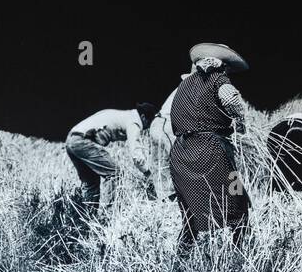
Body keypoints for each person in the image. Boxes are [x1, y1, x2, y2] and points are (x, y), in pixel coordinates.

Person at [169, 42, 251, 249]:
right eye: (228, 68)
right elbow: (232, 101)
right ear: (221, 65)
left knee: (190, 214)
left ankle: (181, 260)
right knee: (237, 203)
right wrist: (241, 124)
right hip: (211, 150)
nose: (229, 72)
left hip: (180, 153)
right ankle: (239, 254)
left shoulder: (183, 86)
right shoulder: (218, 80)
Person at [65, 103, 156, 212]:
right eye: (148, 124)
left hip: (71, 140)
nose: (145, 128)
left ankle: (88, 218)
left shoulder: (121, 114)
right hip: (84, 141)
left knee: (91, 182)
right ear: (143, 117)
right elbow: (136, 155)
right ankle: (110, 214)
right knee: (114, 173)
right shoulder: (134, 121)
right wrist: (148, 173)